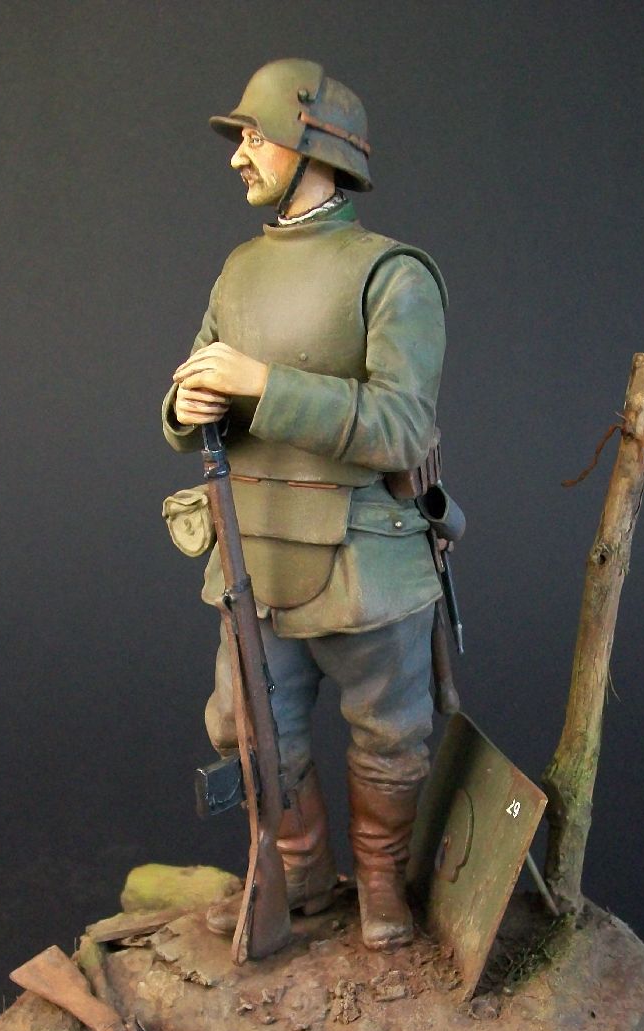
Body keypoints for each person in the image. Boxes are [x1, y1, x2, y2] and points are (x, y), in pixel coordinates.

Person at [162, 59, 448, 951]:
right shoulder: (240, 270)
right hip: (253, 555)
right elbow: (193, 381)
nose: (238, 156)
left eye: (254, 136)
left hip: (363, 558)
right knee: (252, 730)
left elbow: (402, 427)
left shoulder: (392, 275)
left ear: (313, 144)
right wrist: (186, 405)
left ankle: (381, 883)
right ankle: (300, 871)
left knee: (389, 735)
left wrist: (263, 384)